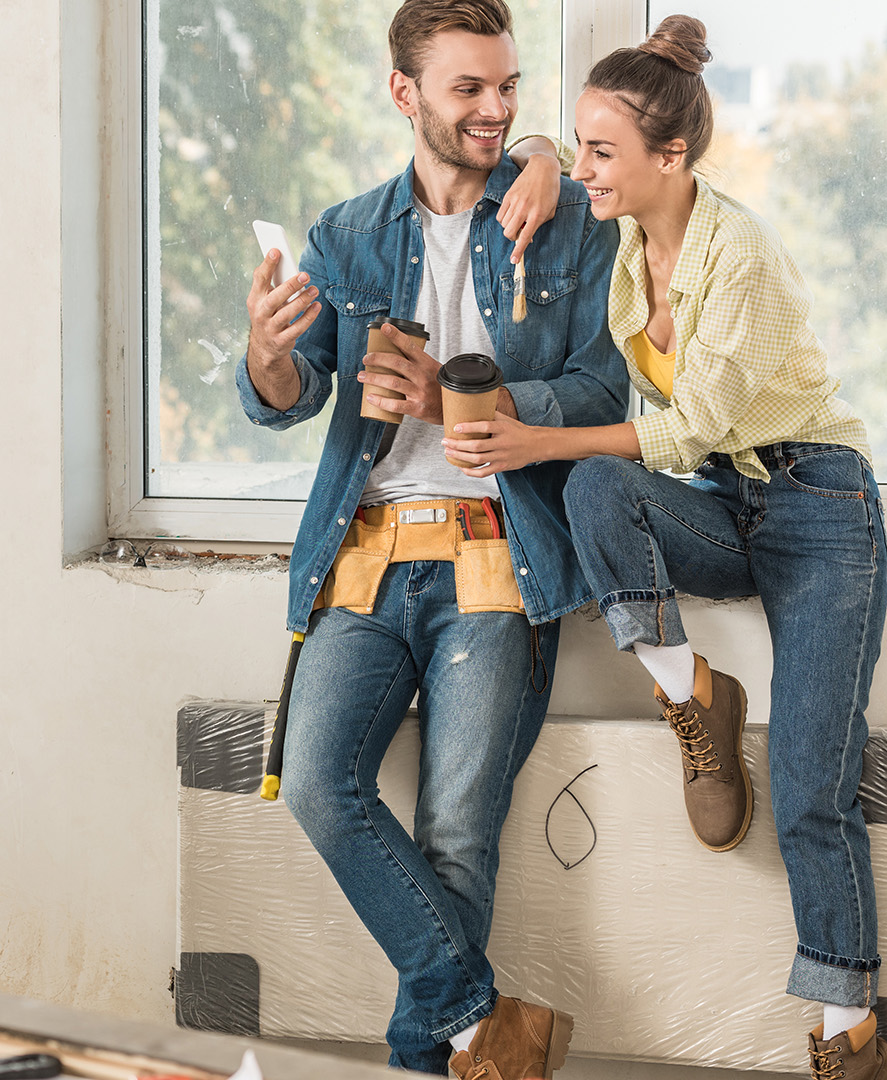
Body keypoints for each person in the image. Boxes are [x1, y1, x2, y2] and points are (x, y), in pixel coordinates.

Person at [440, 16, 887, 1080]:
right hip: (722, 502)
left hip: (820, 508)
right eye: (584, 148)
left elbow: (685, 425)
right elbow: (525, 155)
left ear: (674, 158)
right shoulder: (620, 230)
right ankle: (690, 690)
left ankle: (854, 1044)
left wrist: (532, 438)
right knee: (600, 487)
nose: (586, 171)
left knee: (807, 784)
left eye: (605, 153)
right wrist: (551, 150)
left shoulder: (736, 255)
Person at [239, 1, 627, 1074]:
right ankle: (487, 1027)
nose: (497, 109)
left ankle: (449, 1052)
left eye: (508, 87)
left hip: (499, 552)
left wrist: (465, 404)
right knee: (318, 784)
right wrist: (271, 357)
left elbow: (605, 383)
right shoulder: (347, 236)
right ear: (404, 93)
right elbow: (283, 393)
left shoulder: (564, 221)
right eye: (470, 89)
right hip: (365, 554)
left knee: (458, 832)